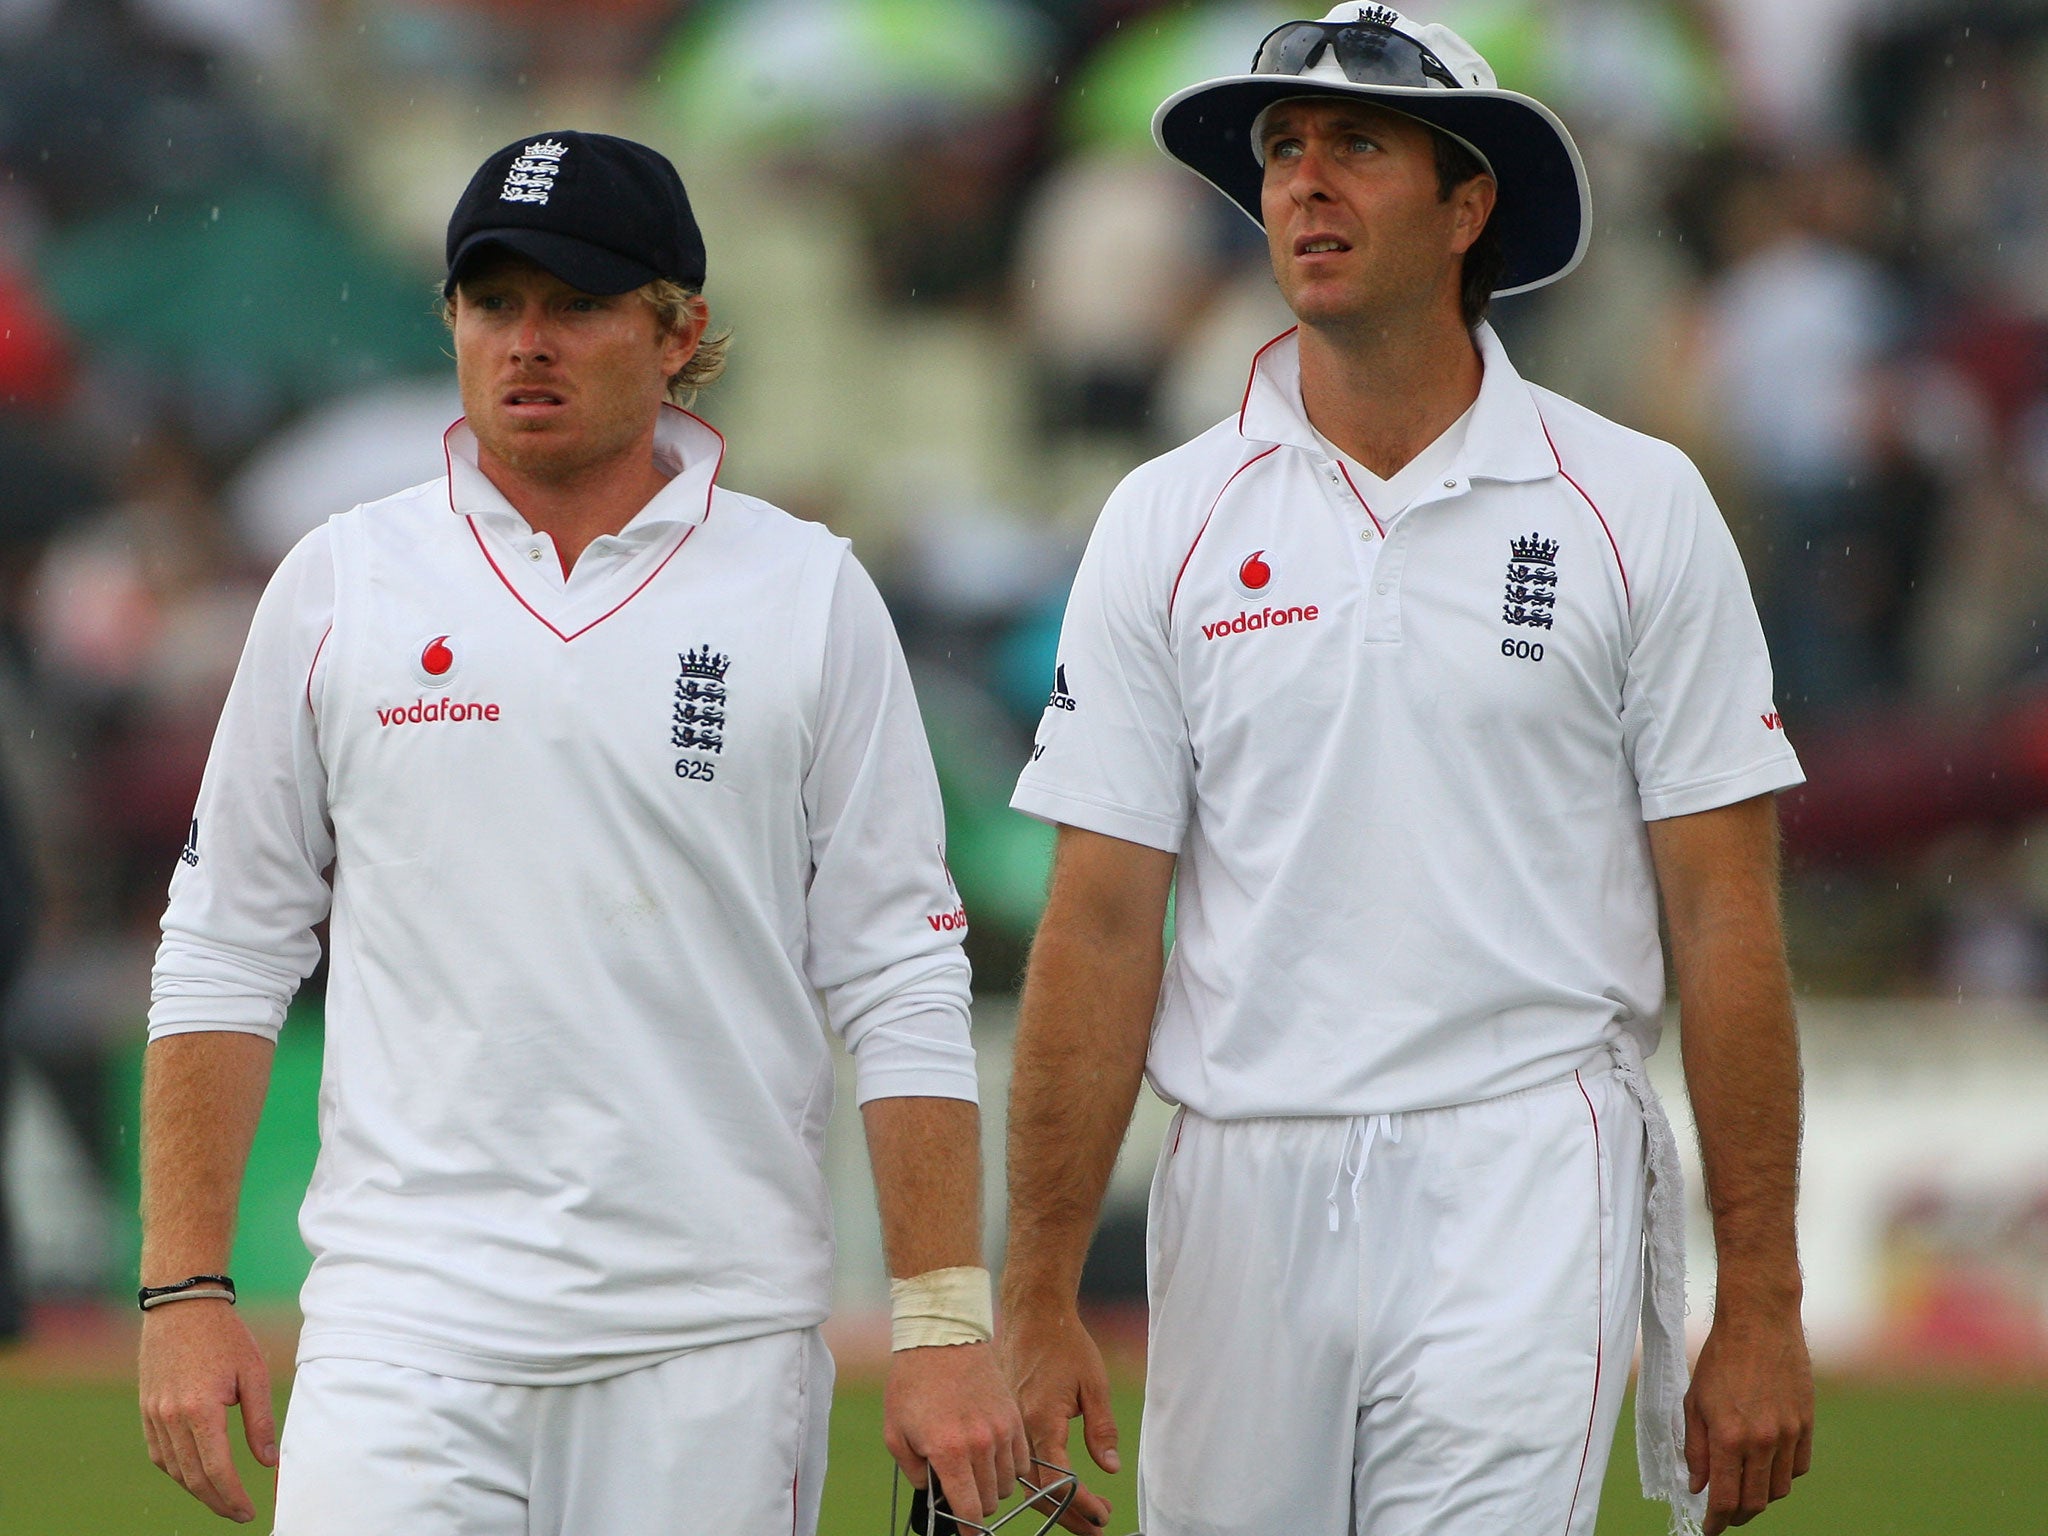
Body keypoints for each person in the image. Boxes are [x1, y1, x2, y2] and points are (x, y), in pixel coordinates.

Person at [138, 130, 1025, 1533]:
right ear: (450, 322)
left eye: (577, 303)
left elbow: (903, 980)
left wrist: (939, 1324)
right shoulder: (338, 585)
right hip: (399, 1335)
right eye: (494, 303)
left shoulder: (807, 592)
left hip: (712, 1345)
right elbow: (222, 952)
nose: (527, 343)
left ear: (682, 333)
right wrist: (186, 1289)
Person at [1001, 9, 1813, 1536]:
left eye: (1357, 147)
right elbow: (1101, 923)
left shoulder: (1637, 505)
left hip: (1525, 1162)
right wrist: (1034, 1291)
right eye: (1283, 153)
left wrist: (1757, 1292)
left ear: (1467, 206)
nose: (1303, 185)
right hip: (1241, 1180)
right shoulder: (1163, 520)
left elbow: (1724, 918)